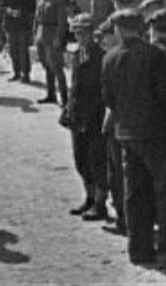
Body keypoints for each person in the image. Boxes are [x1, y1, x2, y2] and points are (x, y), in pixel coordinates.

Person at [102, 7, 166, 265]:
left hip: (126, 133)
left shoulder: (110, 58)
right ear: (141, 27)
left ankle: (138, 250)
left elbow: (109, 99)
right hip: (155, 132)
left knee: (134, 192)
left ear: (118, 30)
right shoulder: (154, 55)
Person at [60, 13, 108, 221]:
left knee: (97, 160)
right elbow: (75, 87)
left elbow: (103, 90)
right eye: (77, 33)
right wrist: (68, 109)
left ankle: (100, 203)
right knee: (80, 160)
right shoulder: (77, 55)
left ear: (92, 34)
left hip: (95, 116)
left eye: (84, 33)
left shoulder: (101, 57)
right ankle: (88, 197)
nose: (80, 37)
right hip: (77, 116)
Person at [34, 0, 68, 105]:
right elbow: (36, 19)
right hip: (41, 35)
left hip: (53, 35)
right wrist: (35, 34)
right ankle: (51, 94)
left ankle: (64, 97)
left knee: (57, 67)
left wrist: (59, 37)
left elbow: (62, 20)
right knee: (47, 66)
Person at [0, 0, 36, 82]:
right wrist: (9, 11)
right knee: (13, 50)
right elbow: (1, 7)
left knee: (23, 50)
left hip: (22, 25)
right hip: (10, 25)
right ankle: (16, 72)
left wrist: (21, 12)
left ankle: (25, 73)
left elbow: (32, 8)